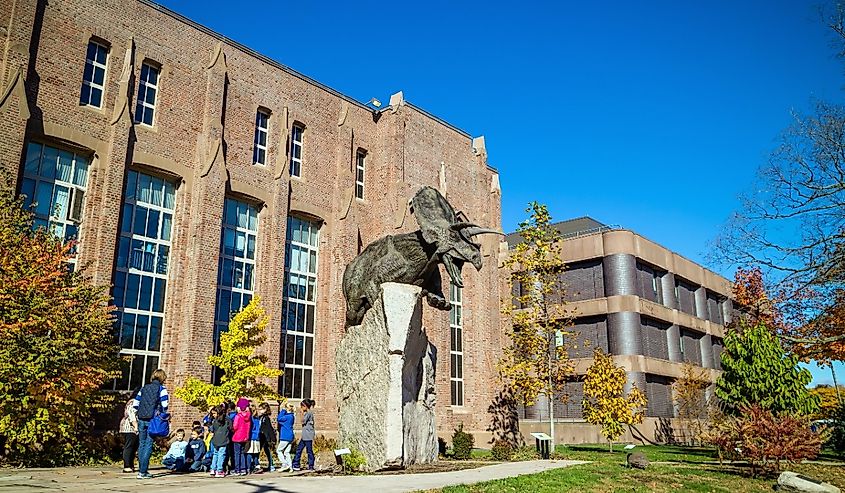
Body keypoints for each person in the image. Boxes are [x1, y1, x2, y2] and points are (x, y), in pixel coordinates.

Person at [133, 368, 170, 480]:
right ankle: (143, 472)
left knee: (141, 444)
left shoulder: (144, 388)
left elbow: (136, 404)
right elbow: (165, 404)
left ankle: (141, 470)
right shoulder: (161, 389)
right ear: (163, 378)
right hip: (152, 419)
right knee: (148, 444)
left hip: (141, 418)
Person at [119, 388, 140, 473]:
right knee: (129, 446)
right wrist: (135, 426)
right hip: (129, 428)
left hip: (133, 427)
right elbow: (132, 415)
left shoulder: (135, 402)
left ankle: (131, 464)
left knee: (134, 447)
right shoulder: (132, 402)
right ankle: (127, 465)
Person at [292, 399, 316, 471]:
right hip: (305, 435)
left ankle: (311, 465)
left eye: (302, 406)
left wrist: (301, 413)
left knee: (309, 451)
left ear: (305, 406)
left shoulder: (309, 413)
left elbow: (303, 421)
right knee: (299, 449)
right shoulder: (308, 413)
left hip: (308, 436)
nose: (301, 408)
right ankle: (296, 464)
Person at [209, 404, 232, 478]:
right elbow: (231, 427)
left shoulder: (215, 421)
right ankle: (219, 470)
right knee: (220, 454)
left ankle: (213, 469)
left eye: (214, 413)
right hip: (223, 439)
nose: (213, 415)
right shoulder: (227, 419)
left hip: (216, 439)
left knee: (216, 454)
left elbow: (212, 429)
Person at [232, 398, 252, 476]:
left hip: (237, 436)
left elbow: (235, 426)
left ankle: (237, 469)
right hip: (245, 437)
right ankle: (243, 469)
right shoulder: (248, 416)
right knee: (243, 453)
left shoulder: (238, 416)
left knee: (237, 454)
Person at [276, 402, 295, 472]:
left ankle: (285, 464)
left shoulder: (286, 417)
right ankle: (290, 466)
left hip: (285, 436)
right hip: (290, 436)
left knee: (279, 450)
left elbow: (279, 418)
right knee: (287, 452)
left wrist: (283, 410)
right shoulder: (292, 416)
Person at [258, 402, 276, 472]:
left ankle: (271, 465)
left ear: (265, 409)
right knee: (258, 451)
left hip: (265, 437)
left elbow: (269, 428)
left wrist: (273, 438)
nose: (260, 410)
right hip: (260, 436)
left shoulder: (266, 418)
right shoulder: (260, 417)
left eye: (261, 409)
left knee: (267, 451)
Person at [247, 405, 261, 473]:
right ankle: (257, 465)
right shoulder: (257, 418)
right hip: (256, 437)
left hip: (251, 437)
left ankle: (249, 467)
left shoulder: (250, 419)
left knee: (249, 453)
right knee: (255, 453)